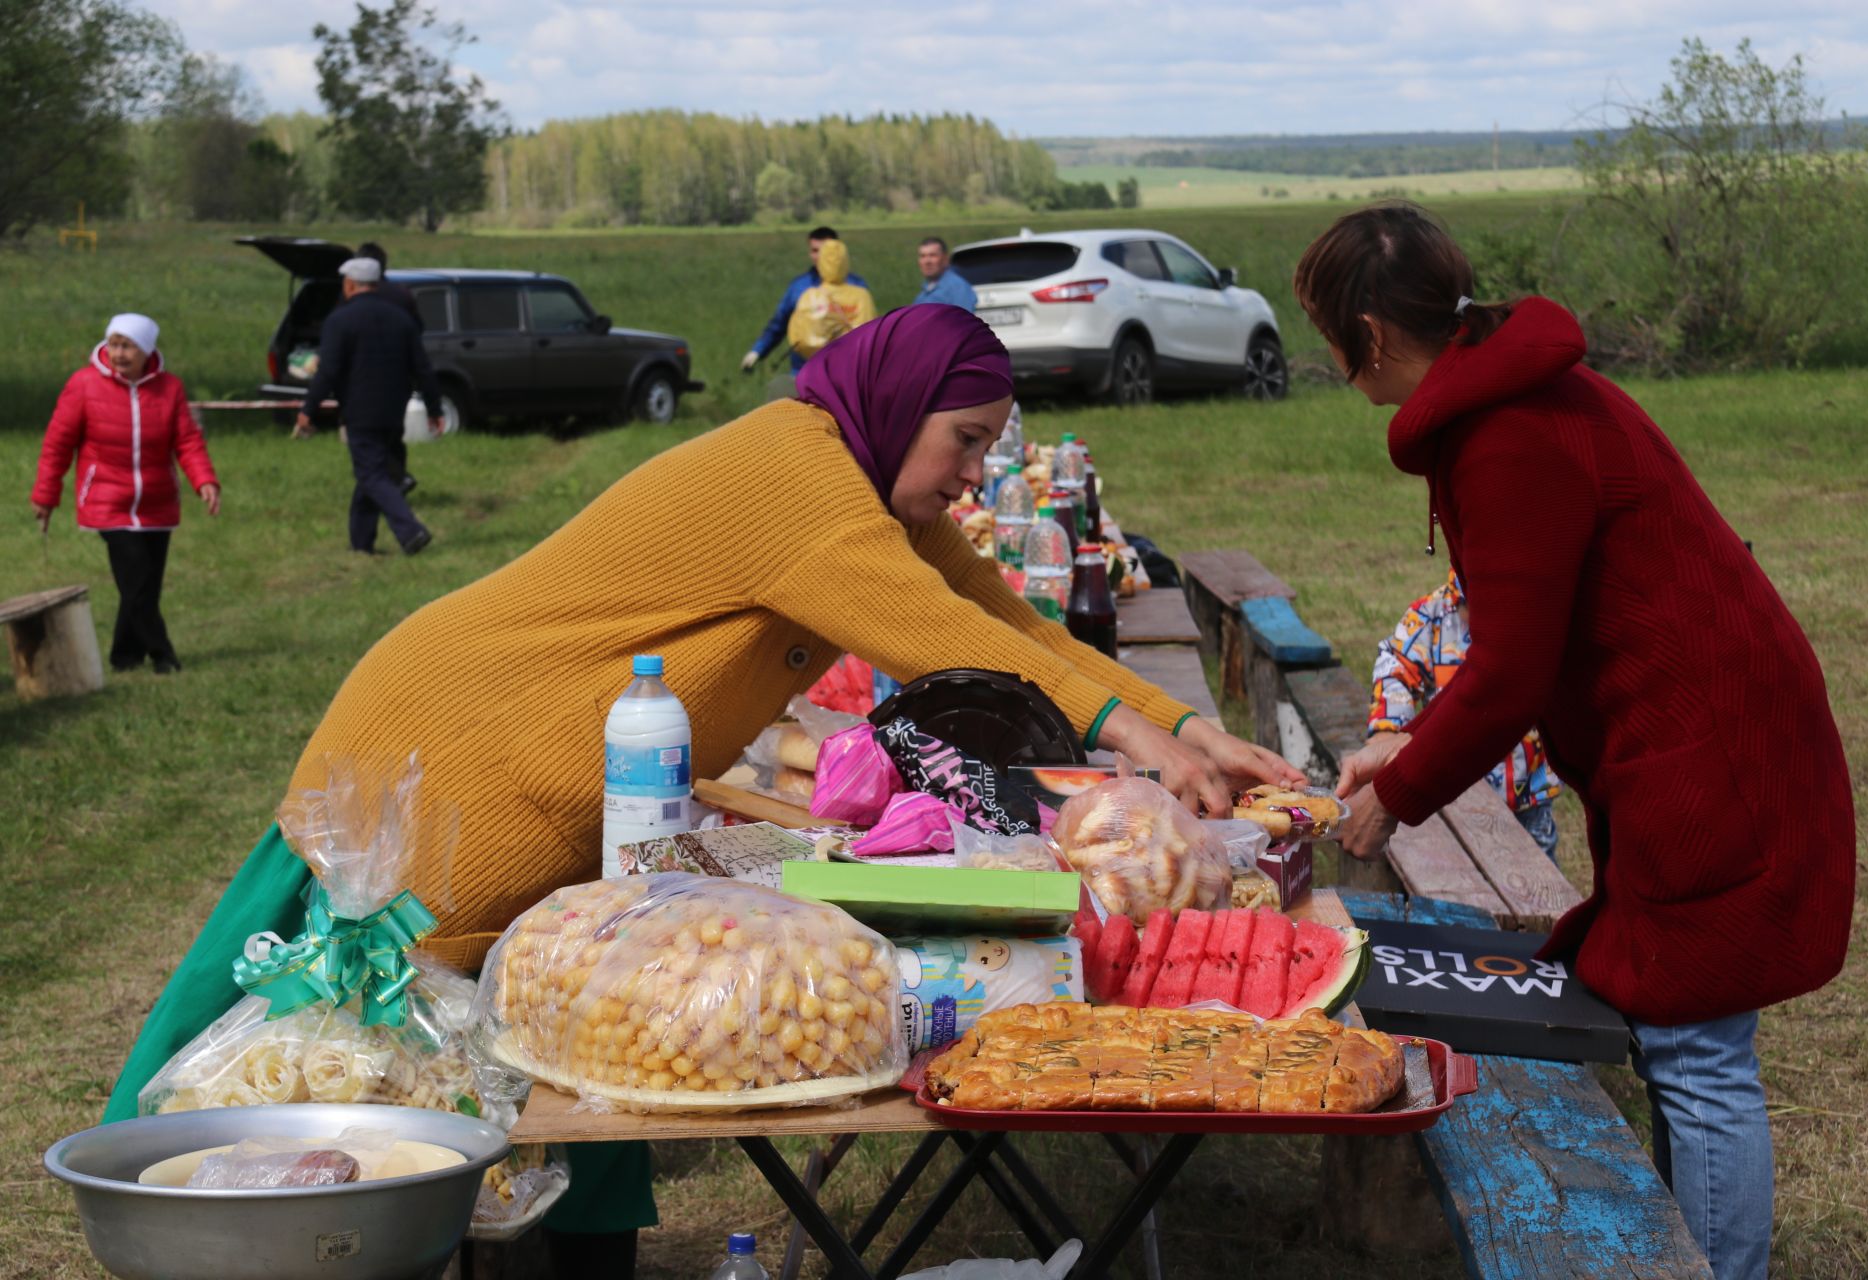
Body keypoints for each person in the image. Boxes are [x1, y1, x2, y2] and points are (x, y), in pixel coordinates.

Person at [104, 306, 1301, 1276]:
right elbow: (948, 642)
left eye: (993, 443)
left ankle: (569, 1256)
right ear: (899, 410)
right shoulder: (796, 476)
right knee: (361, 1067)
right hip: (451, 751)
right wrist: (1137, 732)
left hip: (563, 792)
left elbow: (1001, 615)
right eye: (969, 440)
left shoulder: (867, 482)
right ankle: (198, 1216)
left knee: (561, 1033)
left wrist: (1192, 727)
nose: (977, 471)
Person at [1298, 202, 1852, 1280]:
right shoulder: (1508, 398)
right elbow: (1523, 642)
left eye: (1325, 332)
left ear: (1364, 337)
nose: (1326, 357)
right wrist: (1399, 742)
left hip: (1712, 747)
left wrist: (1400, 788)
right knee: (1676, 1025)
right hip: (1683, 737)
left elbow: (1512, 671)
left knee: (1696, 1044)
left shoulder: (1505, 433)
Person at [31, 314, 220, 674]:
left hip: (156, 502)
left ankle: (125, 656)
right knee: (137, 583)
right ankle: (163, 655)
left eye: (127, 346)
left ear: (146, 350)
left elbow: (187, 441)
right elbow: (57, 444)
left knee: (144, 584)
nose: (118, 353)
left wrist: (204, 481)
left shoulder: (170, 388)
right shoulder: (83, 385)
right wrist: (46, 495)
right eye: (114, 344)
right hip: (107, 501)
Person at [1368, 567, 1561, 858]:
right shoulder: (1432, 615)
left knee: (1538, 884)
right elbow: (1396, 666)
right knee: (1452, 873)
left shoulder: (1534, 615)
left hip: (1525, 799)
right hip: (1449, 801)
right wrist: (1388, 726)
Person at [295, 258, 442, 555]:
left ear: (349, 284)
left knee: (372, 475)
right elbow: (423, 368)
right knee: (371, 472)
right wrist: (434, 409)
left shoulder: (340, 320)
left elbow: (328, 372)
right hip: (393, 410)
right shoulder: (402, 319)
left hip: (360, 412)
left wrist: (308, 410)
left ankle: (411, 531)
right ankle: (361, 544)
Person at [740, 225, 869, 374]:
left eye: (825, 250)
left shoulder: (858, 289)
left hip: (846, 372)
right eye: (814, 250)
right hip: (804, 372)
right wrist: (757, 351)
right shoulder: (800, 287)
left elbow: (869, 329)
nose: (819, 256)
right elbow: (778, 324)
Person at [354, 241, 421, 496]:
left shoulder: (357, 297)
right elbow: (418, 331)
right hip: (399, 377)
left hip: (365, 378)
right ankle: (396, 481)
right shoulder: (402, 295)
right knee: (394, 434)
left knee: (367, 438)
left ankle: (395, 480)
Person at [784, 237, 876, 362]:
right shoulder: (862, 296)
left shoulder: (811, 296)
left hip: (820, 366)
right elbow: (871, 336)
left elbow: (799, 337)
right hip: (852, 367)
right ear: (845, 262)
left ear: (821, 262)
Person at [911, 236, 977, 311]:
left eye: (932, 255)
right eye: (923, 256)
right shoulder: (925, 291)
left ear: (945, 259)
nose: (927, 261)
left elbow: (963, 320)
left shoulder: (958, 287)